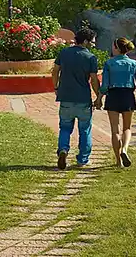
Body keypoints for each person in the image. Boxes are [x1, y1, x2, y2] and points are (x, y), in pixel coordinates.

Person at [51, 28, 102, 170]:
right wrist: (98, 96)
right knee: (85, 129)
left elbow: (55, 71)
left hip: (65, 98)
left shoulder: (64, 52)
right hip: (83, 99)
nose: (93, 44)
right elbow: (93, 80)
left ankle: (63, 149)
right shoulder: (90, 57)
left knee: (65, 128)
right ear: (85, 41)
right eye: (92, 41)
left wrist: (56, 87)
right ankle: (83, 159)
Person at [94, 37, 136, 168]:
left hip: (113, 95)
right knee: (127, 128)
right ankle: (124, 149)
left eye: (113, 46)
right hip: (127, 95)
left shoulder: (109, 63)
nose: (112, 49)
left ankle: (118, 161)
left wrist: (99, 98)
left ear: (118, 48)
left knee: (114, 129)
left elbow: (105, 84)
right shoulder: (134, 64)